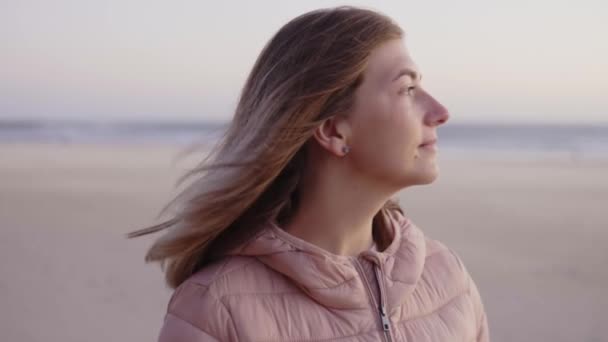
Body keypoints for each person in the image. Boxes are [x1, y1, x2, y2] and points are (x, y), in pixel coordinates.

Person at [129, 6, 489, 342]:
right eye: (407, 89)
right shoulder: (216, 308)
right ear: (333, 130)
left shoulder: (447, 277)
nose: (440, 111)